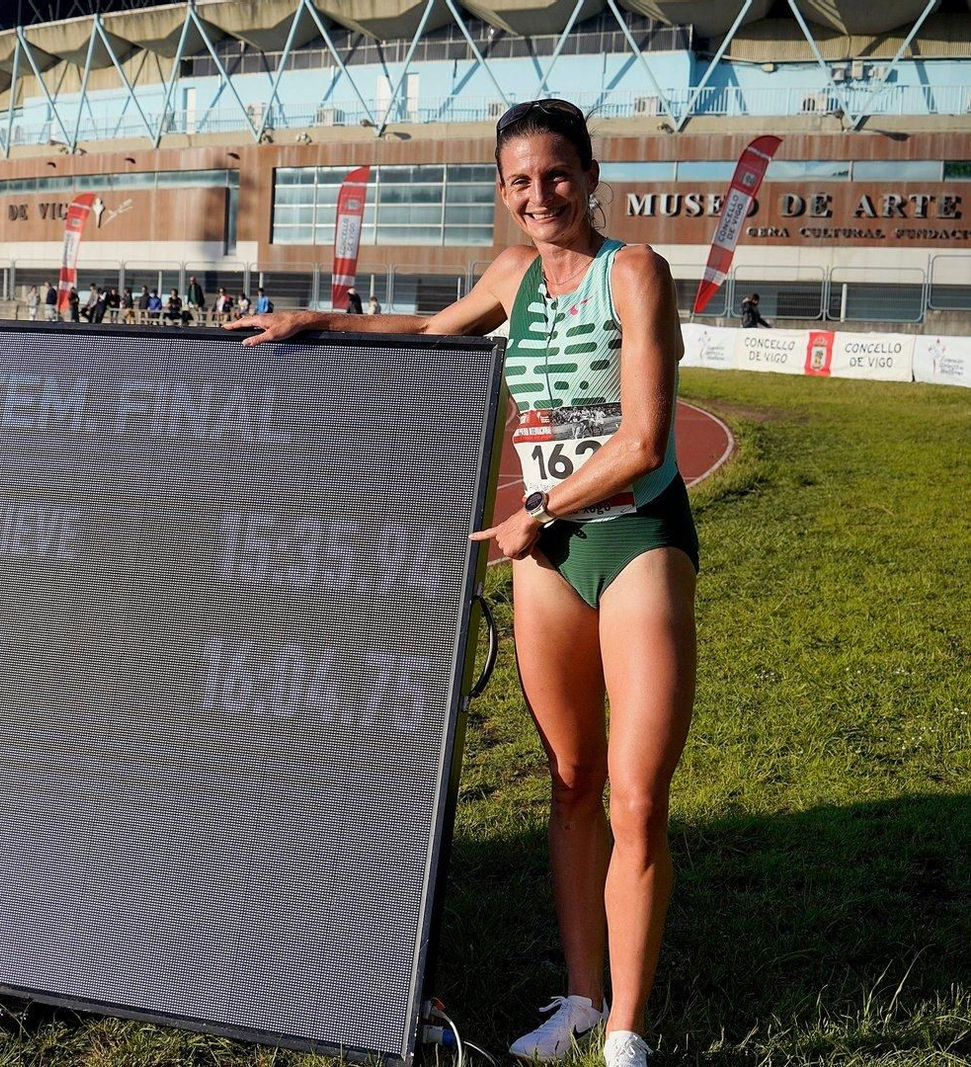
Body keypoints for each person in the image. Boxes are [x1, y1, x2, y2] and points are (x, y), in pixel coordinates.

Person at [227, 98, 694, 1067]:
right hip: (548, 553)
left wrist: (542, 507)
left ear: (590, 175)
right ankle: (581, 998)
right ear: (502, 189)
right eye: (519, 180)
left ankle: (626, 1034)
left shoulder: (633, 272)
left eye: (556, 174)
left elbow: (645, 440)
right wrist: (320, 321)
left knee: (636, 797)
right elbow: (431, 332)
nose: (539, 194)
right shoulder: (513, 275)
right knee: (571, 781)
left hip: (633, 538)